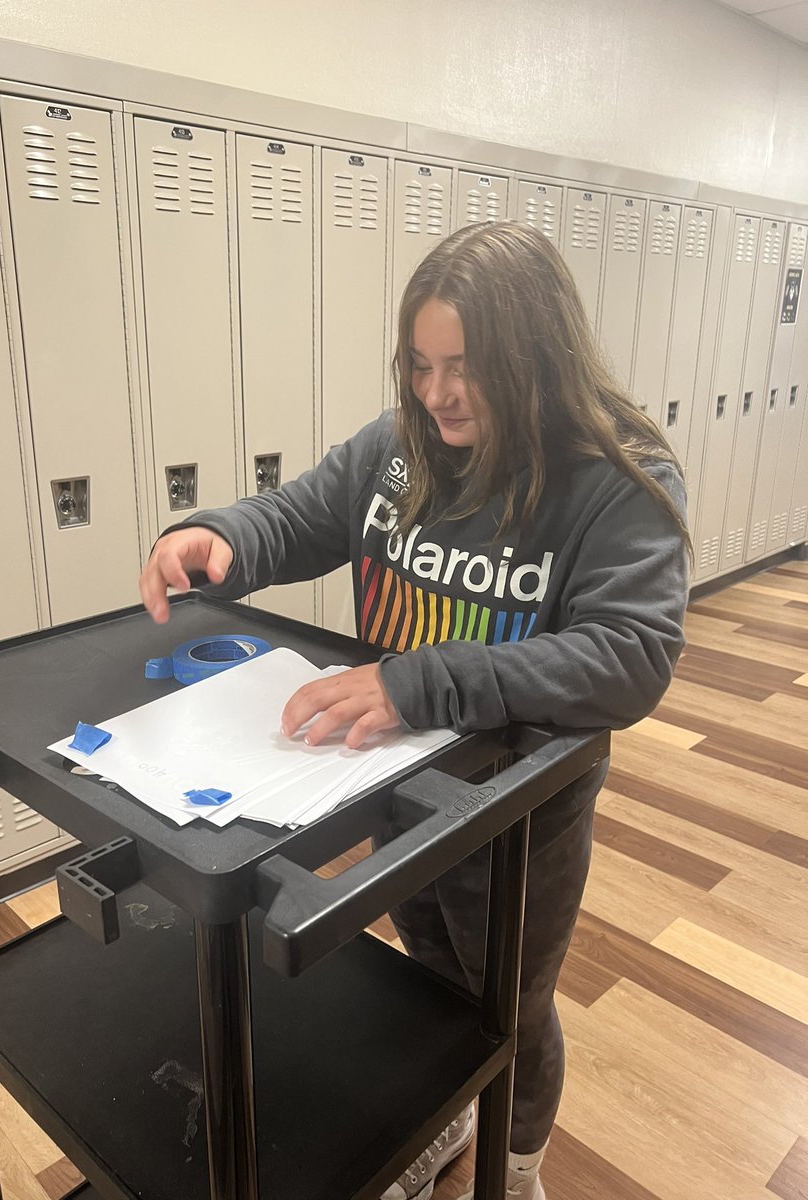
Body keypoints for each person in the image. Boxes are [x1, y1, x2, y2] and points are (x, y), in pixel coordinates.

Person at [139, 221, 691, 1200]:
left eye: (468, 368)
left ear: (538, 357)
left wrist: (416, 680)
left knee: (507, 1001)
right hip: (394, 779)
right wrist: (216, 535)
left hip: (519, 814)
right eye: (421, 365)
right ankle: (443, 1127)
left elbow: (631, 657)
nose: (438, 394)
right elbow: (308, 512)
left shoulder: (614, 476)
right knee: (425, 967)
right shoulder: (407, 452)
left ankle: (513, 1168)